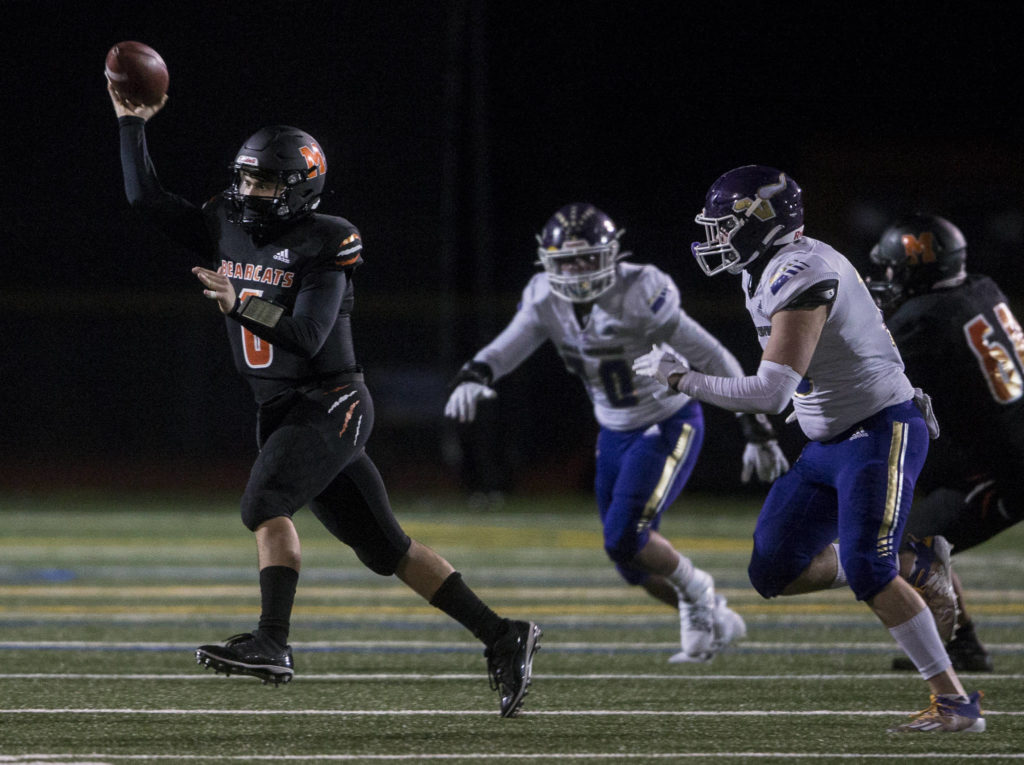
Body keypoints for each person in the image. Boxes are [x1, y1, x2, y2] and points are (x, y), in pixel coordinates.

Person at [107, 83, 540, 717]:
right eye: (246, 180)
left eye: (265, 182)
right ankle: (504, 635)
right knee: (386, 550)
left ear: (300, 186)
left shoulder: (326, 240)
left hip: (332, 400)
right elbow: (145, 198)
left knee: (263, 504)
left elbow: (309, 334)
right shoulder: (226, 223)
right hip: (283, 408)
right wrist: (130, 122)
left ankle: (272, 642)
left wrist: (240, 301)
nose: (249, 192)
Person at [633, 166, 985, 733]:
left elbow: (770, 394)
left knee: (872, 568)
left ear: (763, 221)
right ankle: (912, 559)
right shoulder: (767, 268)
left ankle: (955, 703)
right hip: (831, 440)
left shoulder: (801, 272)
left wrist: (681, 379)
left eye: (726, 225)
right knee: (773, 568)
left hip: (880, 429)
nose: (716, 237)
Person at [445, 202, 789, 663]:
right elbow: (510, 345)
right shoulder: (544, 297)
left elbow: (711, 354)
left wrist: (754, 427)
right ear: (548, 262)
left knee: (624, 536)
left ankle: (698, 589)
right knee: (629, 562)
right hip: (613, 431)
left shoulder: (640, 291)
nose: (578, 270)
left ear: (611, 255)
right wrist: (474, 375)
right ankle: (715, 613)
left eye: (588, 257)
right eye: (567, 260)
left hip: (667, 419)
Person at [867, 213, 1024, 673]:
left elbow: (876, 382)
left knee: (896, 543)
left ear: (916, 267)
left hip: (1007, 464)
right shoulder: (980, 286)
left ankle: (961, 646)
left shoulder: (925, 320)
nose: (887, 277)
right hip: (999, 442)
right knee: (908, 527)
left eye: (894, 267)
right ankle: (961, 644)